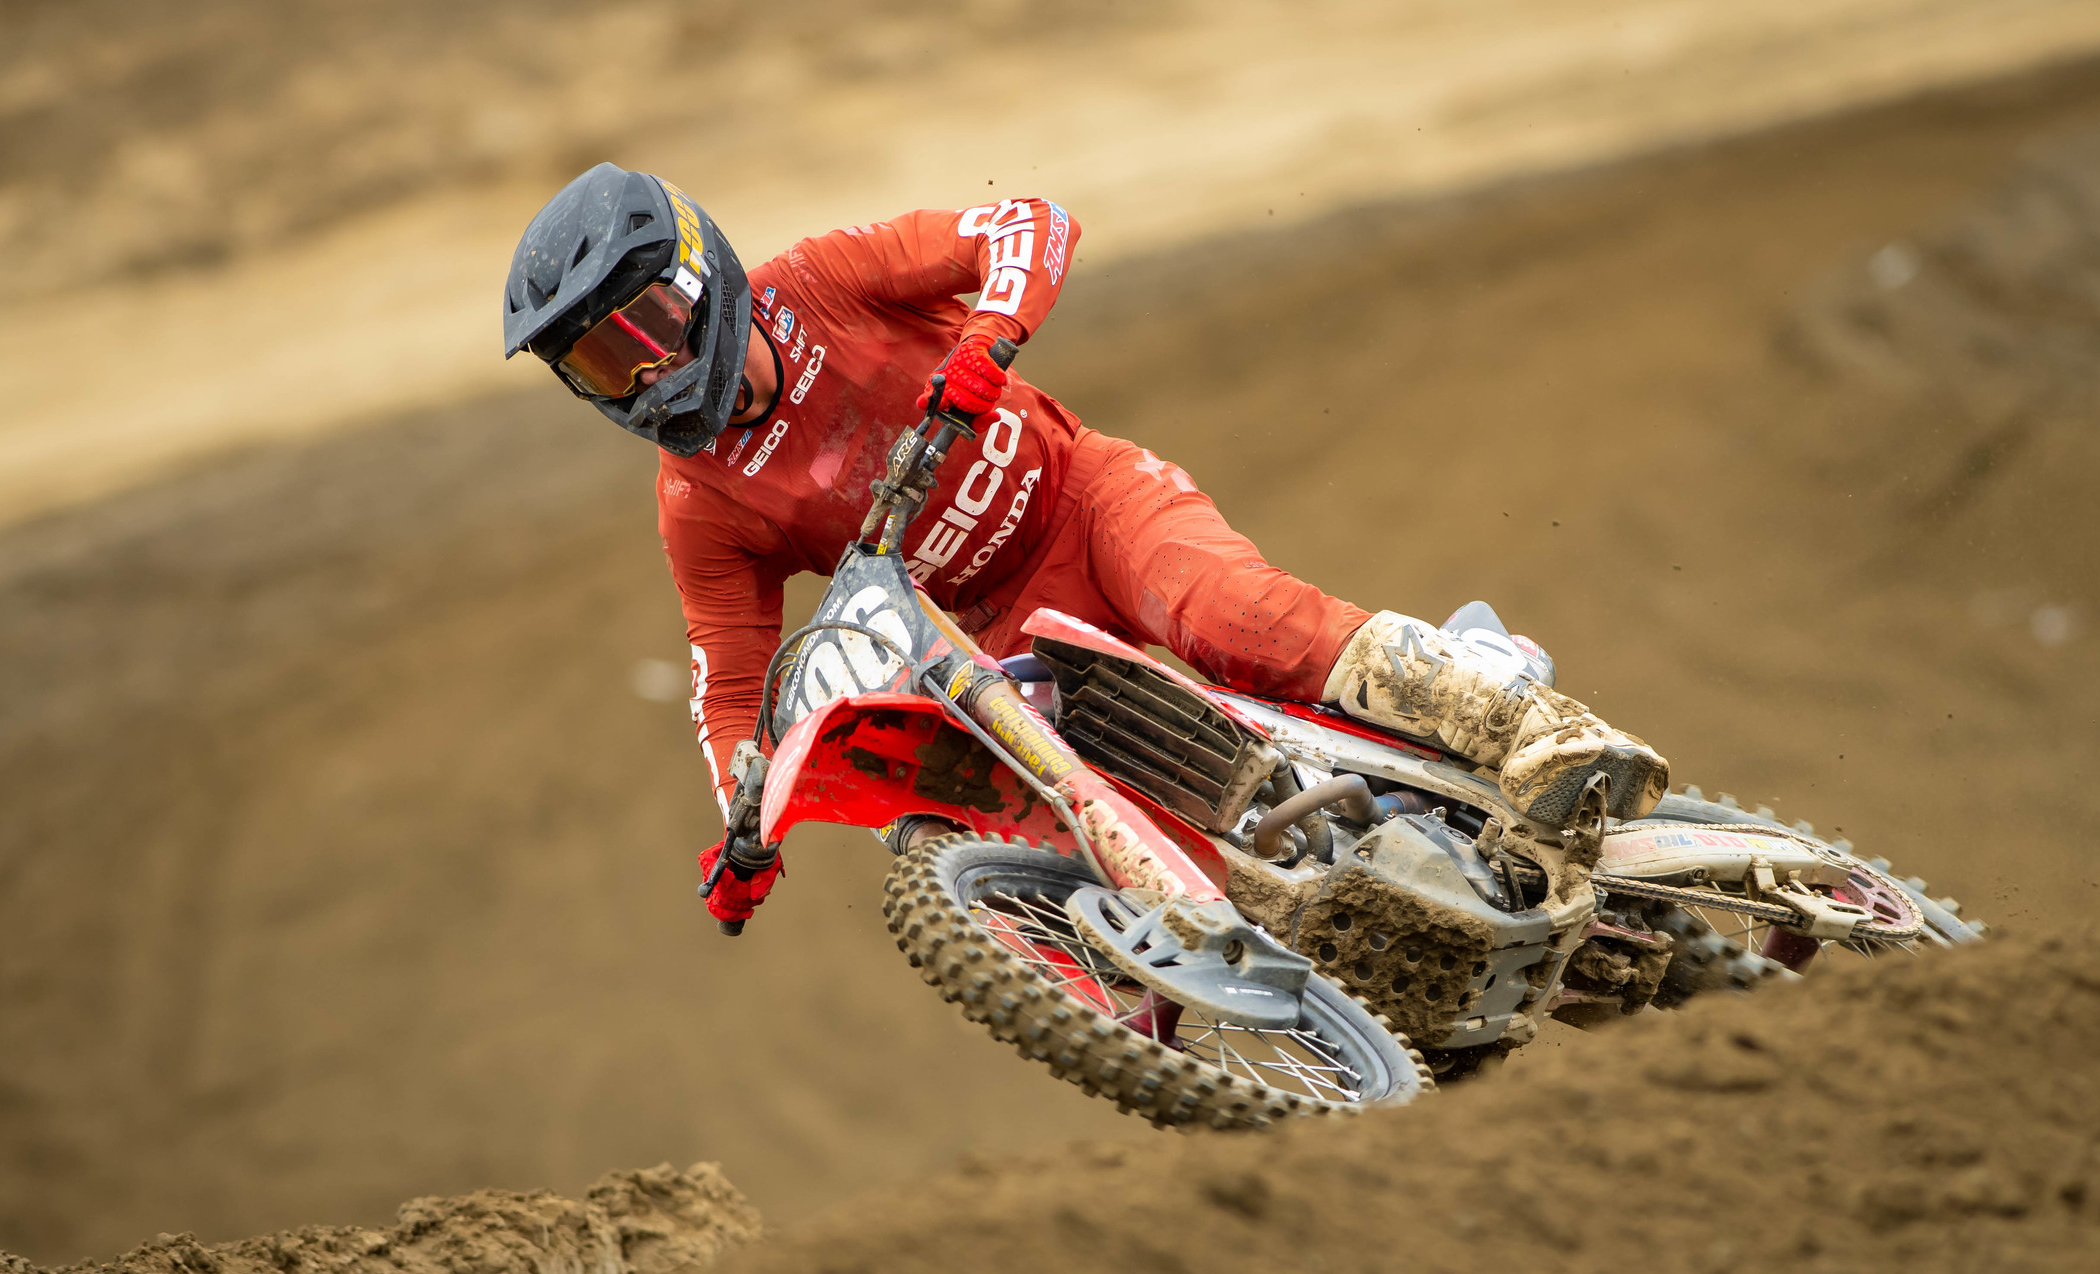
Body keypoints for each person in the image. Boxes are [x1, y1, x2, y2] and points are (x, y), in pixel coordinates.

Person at [502, 164, 1666, 928]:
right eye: (600, 366)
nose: (642, 378)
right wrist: (746, 820)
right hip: (1001, 632)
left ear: (698, 279)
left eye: (643, 331)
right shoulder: (697, 501)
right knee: (1064, 824)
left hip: (1089, 504)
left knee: (1230, 616)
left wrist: (990, 335)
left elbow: (1028, 223)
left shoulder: (819, 283)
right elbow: (730, 683)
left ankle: (1528, 720)